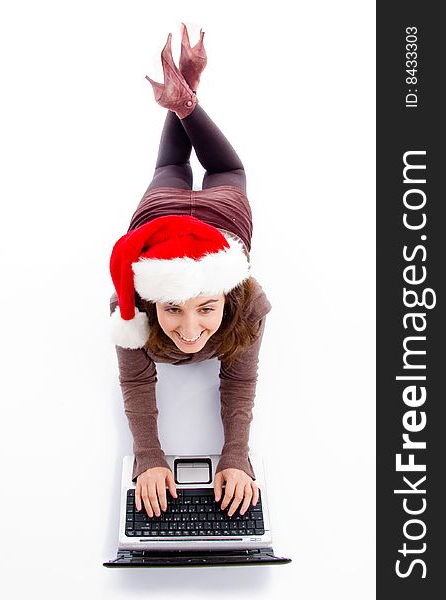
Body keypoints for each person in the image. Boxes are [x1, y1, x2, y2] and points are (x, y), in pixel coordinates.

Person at [109, 24, 272, 522]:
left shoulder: (250, 304)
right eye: (172, 309)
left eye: (206, 307)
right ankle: (185, 99)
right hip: (194, 215)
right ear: (151, 302)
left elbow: (238, 382)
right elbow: (136, 383)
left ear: (228, 295)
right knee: (215, 169)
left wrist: (237, 455)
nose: (190, 329)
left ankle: (186, 99)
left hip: (179, 214)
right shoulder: (128, 309)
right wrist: (148, 456)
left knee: (179, 166)